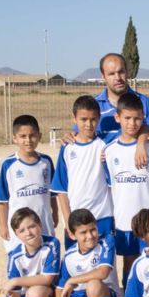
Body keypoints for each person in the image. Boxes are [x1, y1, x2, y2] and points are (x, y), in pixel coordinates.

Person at [103, 92, 149, 290]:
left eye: (137, 118)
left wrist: (144, 190)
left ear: (143, 118)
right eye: (127, 118)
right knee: (130, 262)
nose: (132, 123)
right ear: (117, 117)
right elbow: (111, 184)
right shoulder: (109, 150)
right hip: (124, 220)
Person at [51, 95, 115, 248]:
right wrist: (67, 221)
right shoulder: (67, 147)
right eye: (83, 119)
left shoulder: (106, 143)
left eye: (93, 119)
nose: (89, 124)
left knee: (106, 265)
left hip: (103, 216)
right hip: (76, 220)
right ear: (74, 118)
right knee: (77, 265)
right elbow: (61, 188)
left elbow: (133, 131)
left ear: (99, 118)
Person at [0, 207, 60, 297]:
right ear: (17, 235)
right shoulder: (15, 256)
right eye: (22, 230)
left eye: (32, 226)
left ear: (40, 225)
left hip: (43, 293)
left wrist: (15, 281)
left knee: (35, 294)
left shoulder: (51, 244)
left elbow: (47, 279)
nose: (28, 233)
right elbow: (14, 294)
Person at [0, 115, 58, 253]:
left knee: (45, 261)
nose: (28, 140)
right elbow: (2, 200)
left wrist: (55, 214)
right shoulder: (8, 165)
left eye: (32, 135)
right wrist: (3, 226)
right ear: (15, 138)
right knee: (21, 264)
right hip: (20, 227)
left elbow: (52, 194)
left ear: (39, 136)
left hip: (43, 223)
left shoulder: (46, 162)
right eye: (23, 136)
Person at [93, 53, 149, 135]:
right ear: (103, 77)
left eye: (121, 72)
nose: (118, 78)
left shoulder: (146, 104)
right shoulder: (93, 106)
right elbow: (79, 136)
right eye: (111, 74)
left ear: (127, 72)